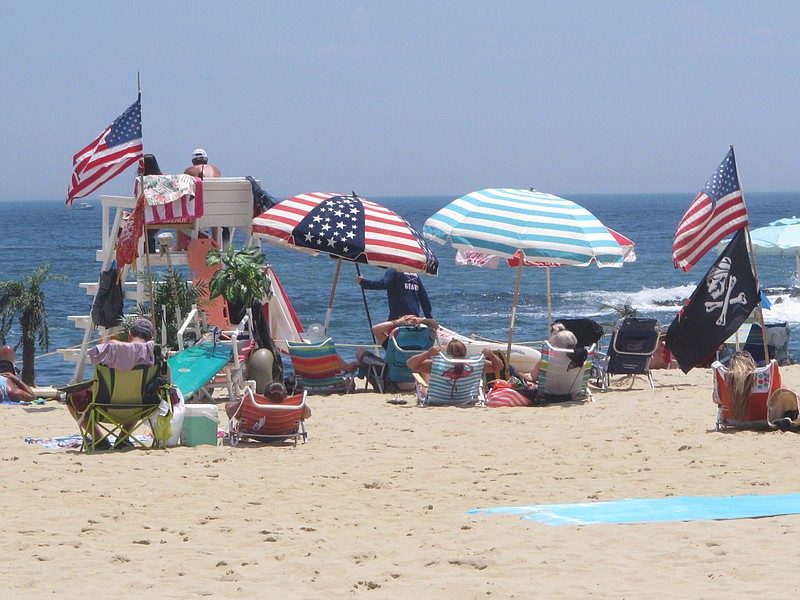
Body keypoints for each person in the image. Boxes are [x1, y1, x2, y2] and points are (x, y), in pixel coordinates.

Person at [66, 318, 168, 450]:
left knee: (71, 398)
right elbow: (167, 381)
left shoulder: (111, 348)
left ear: (130, 334)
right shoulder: (155, 353)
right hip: (141, 408)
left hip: (103, 407)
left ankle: (99, 440)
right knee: (139, 392)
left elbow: (95, 357)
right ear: (152, 338)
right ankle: (123, 438)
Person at [406, 339, 502, 387]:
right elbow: (499, 367)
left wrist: (428, 353)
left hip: (438, 399)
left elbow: (410, 364)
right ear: (465, 351)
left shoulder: (436, 364)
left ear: (447, 352)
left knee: (425, 381)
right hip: (466, 399)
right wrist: (492, 356)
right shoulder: (476, 363)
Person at [357, 268, 432, 321]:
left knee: (377, 331)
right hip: (414, 318)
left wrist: (364, 282)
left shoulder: (393, 270)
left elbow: (384, 284)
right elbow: (424, 297)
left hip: (398, 318)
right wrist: (428, 317)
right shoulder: (415, 275)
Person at [226, 381, 311, 420]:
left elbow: (231, 412)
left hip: (256, 432)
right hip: (285, 433)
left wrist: (228, 405)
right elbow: (308, 415)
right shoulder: (294, 404)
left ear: (264, 395)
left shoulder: (252, 401)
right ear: (285, 395)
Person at [136, 153, 163, 253]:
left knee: (122, 224)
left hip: (146, 219)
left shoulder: (141, 181)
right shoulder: (165, 179)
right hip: (161, 218)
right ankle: (149, 243)